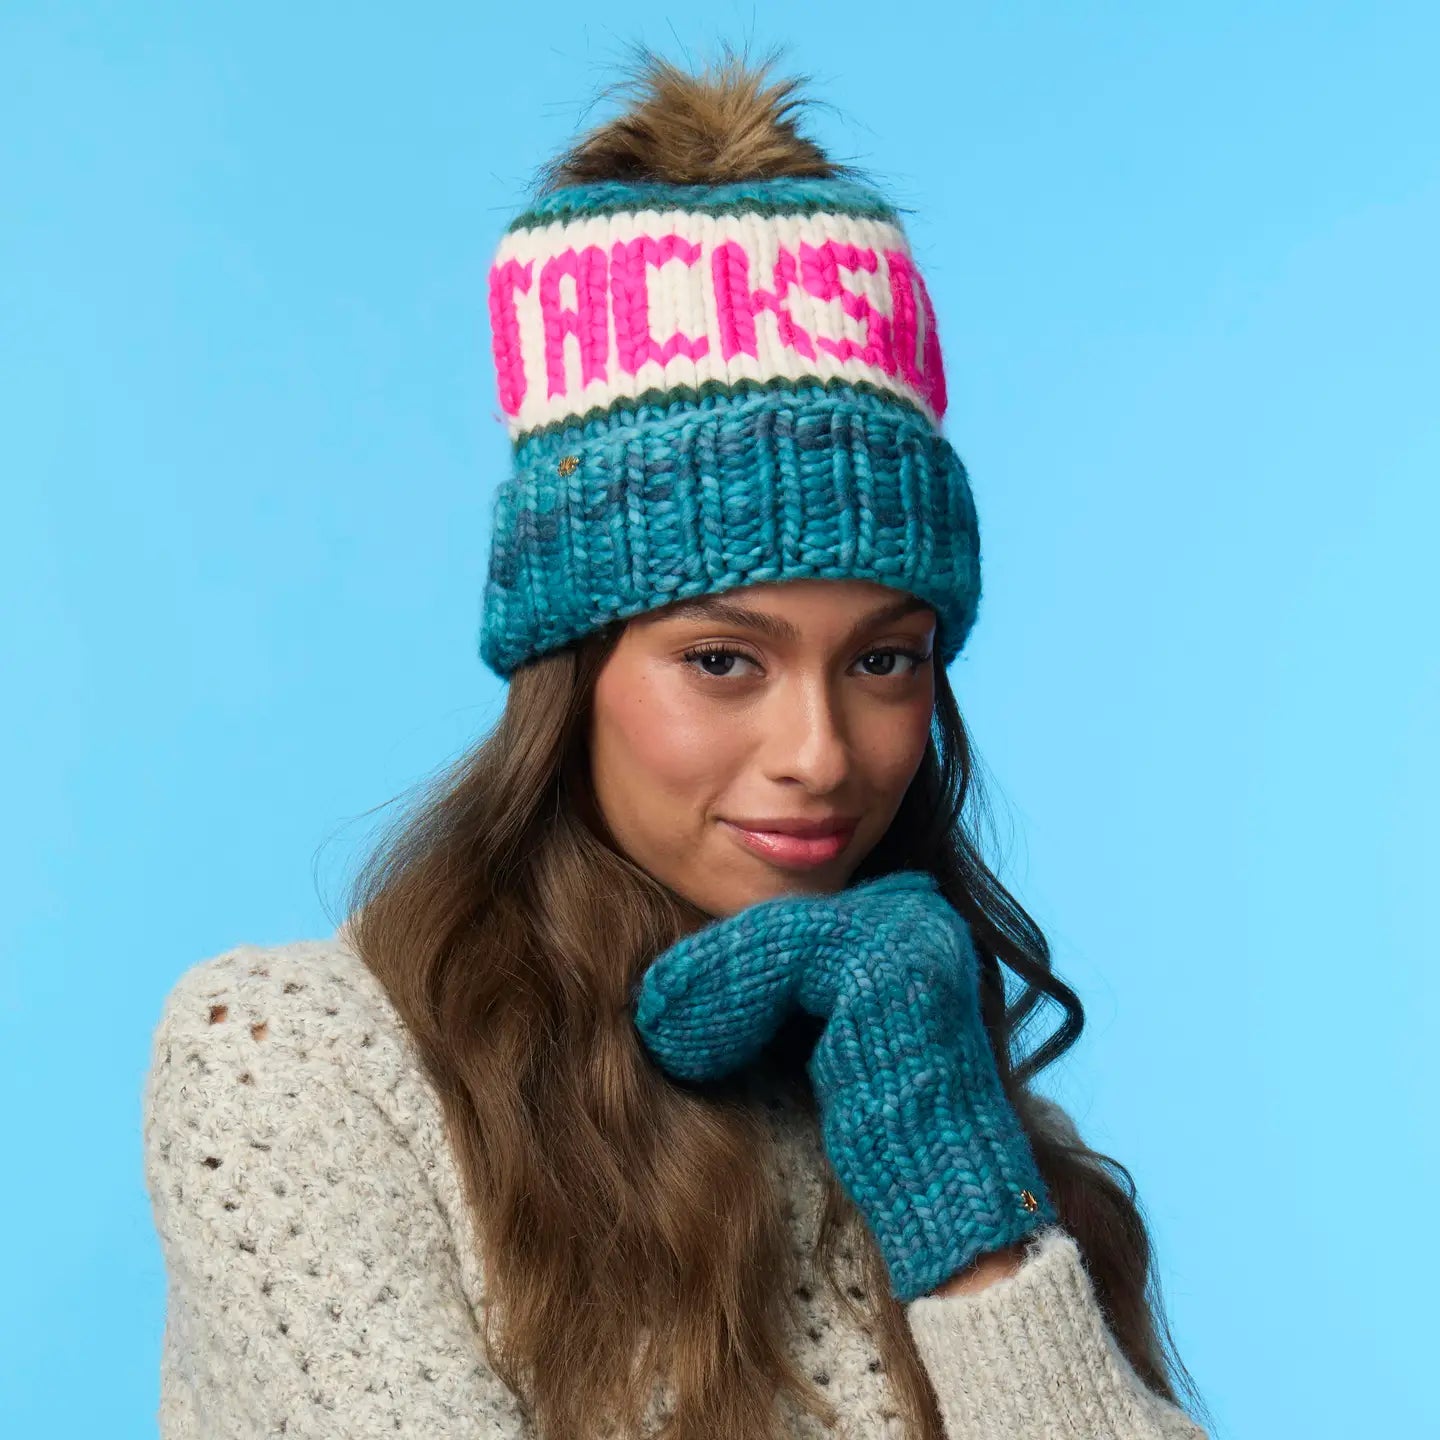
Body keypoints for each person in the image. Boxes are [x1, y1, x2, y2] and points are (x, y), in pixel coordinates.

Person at [142, 47, 1215, 1440]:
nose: (820, 754)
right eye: (722, 661)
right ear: (573, 669)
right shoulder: (305, 1064)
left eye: (884, 660)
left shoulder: (966, 1124)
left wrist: (963, 1212)